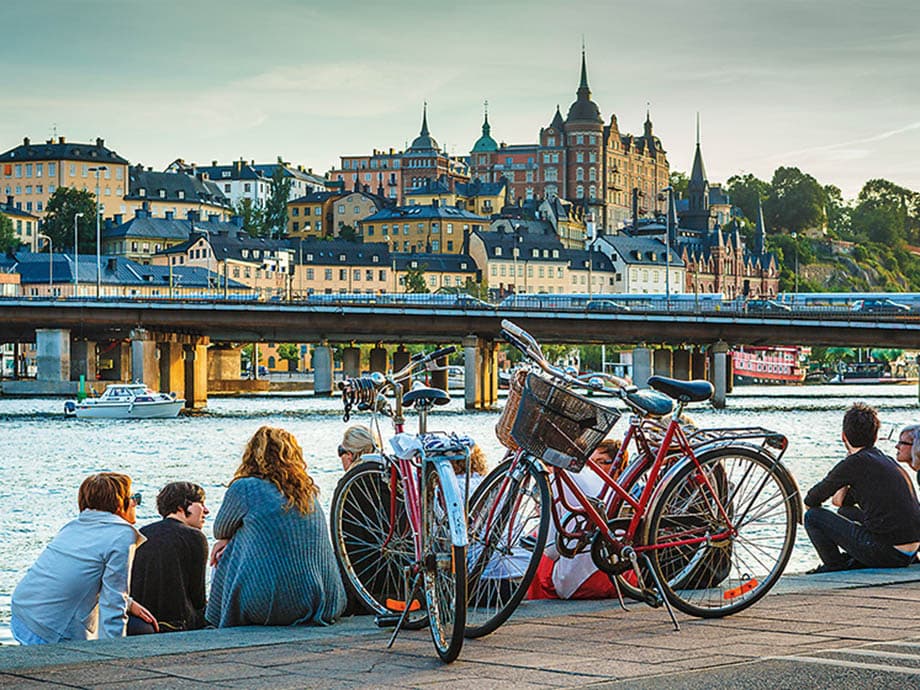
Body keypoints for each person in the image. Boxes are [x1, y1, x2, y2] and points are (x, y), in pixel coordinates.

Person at [206, 426, 346, 627]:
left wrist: (226, 540)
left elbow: (220, 530)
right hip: (327, 601)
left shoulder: (245, 487)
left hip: (272, 606)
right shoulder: (307, 491)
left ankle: (214, 620)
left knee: (227, 548)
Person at [11, 473, 158, 644]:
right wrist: (115, 653)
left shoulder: (73, 527)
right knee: (142, 628)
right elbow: (113, 602)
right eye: (134, 498)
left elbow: (74, 576)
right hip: (51, 628)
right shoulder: (121, 535)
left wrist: (130, 603)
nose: (135, 503)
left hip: (23, 611)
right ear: (120, 504)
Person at [804, 403, 920, 573]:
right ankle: (852, 560)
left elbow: (811, 500)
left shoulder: (854, 463)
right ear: (875, 436)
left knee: (813, 516)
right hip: (909, 552)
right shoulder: (883, 458)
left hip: (887, 553)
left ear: (844, 436)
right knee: (846, 512)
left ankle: (835, 564)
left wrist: (845, 466)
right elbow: (841, 503)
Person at [529, 439, 626, 600]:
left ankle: (536, 604)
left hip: (585, 582)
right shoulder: (605, 483)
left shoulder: (556, 483)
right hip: (624, 575)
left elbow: (551, 549)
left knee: (539, 556)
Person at [129, 482, 210, 633]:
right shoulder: (195, 537)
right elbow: (198, 598)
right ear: (181, 506)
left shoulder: (143, 533)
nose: (206, 511)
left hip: (142, 620)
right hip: (179, 623)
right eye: (201, 503)